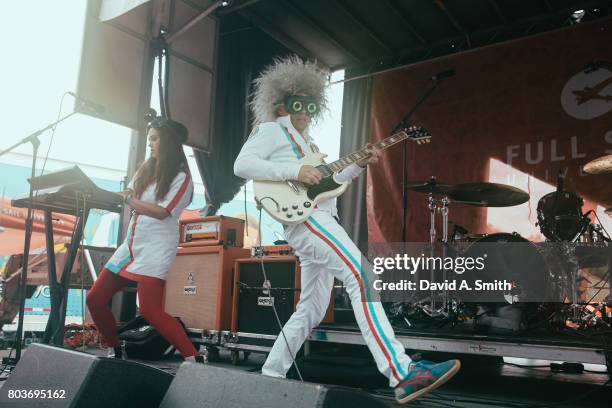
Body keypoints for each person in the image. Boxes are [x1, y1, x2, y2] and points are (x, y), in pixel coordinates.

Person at [234, 55, 460, 403]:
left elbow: (330, 184)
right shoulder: (272, 131)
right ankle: (401, 373)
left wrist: (358, 165)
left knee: (310, 309)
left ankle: (270, 375)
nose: (306, 112)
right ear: (281, 102)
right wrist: (294, 172)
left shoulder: (308, 145)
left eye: (310, 106)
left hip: (319, 219)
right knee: (363, 277)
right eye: (299, 103)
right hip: (310, 223)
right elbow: (241, 165)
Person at [86, 118, 202, 362]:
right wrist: (98, 196)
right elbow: (127, 195)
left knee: (150, 310)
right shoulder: (146, 170)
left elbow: (162, 212)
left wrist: (128, 201)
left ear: (168, 142)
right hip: (130, 246)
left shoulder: (182, 178)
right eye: (149, 138)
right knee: (95, 299)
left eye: (155, 138)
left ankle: (193, 357)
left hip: (156, 248)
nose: (150, 143)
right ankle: (116, 349)